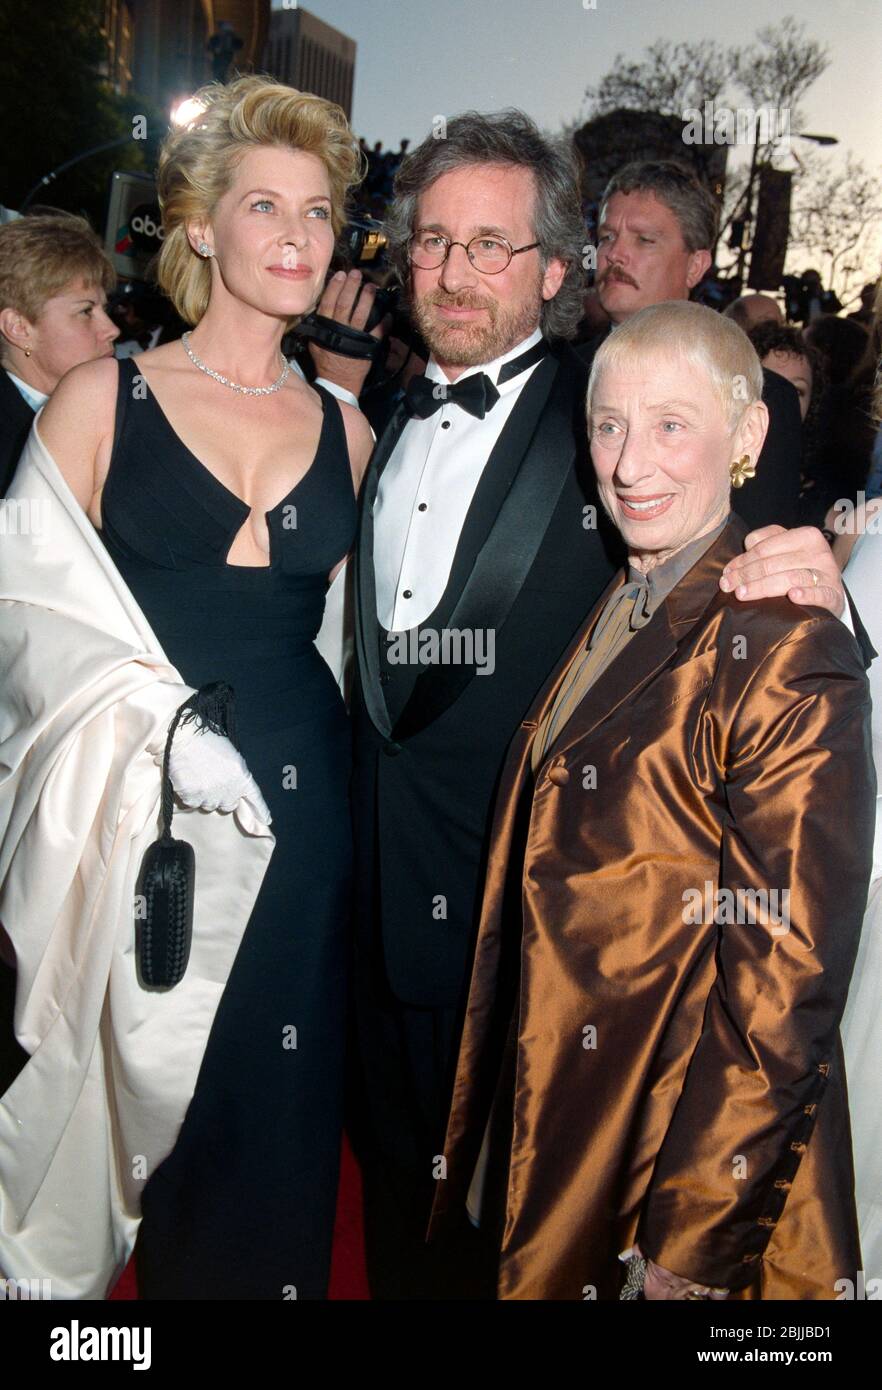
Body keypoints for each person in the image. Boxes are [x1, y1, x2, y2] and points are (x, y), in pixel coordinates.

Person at [344, 109, 856, 1300]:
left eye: (490, 244)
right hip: (380, 927)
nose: (455, 271)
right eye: (432, 242)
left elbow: (755, 533)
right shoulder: (374, 414)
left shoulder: (626, 393)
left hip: (570, 989)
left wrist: (832, 594)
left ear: (556, 270)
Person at [0, 75, 373, 1300]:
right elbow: (22, 620)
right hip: (143, 824)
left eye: (318, 213)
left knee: (278, 1128)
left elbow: (367, 644)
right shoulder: (103, 398)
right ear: (201, 227)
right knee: (139, 1104)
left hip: (310, 826)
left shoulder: (354, 431)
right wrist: (142, 732)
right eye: (264, 205)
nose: (296, 237)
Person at [430, 301, 874, 1300]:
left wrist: (698, 1237)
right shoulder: (635, 587)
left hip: (670, 1155)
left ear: (748, 435)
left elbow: (787, 978)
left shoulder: (784, 638)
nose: (632, 465)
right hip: (581, 1112)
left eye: (673, 424)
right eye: (609, 425)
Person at [585, 160, 804, 533]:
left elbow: (753, 552)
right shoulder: (559, 374)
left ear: (696, 265)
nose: (614, 255)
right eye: (606, 237)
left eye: (644, 239)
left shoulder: (762, 394)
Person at [0, 210, 119, 493]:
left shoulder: (114, 414)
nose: (112, 329)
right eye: (86, 311)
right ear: (19, 328)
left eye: (105, 308)